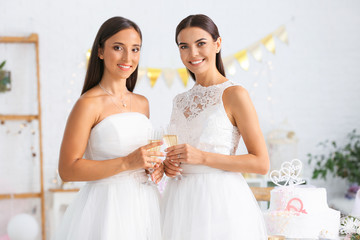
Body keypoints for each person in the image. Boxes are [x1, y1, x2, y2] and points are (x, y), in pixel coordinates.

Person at [55, 16, 164, 240]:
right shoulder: (88, 104)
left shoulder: (142, 103)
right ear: (100, 51)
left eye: (135, 49)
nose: (128, 58)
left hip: (145, 207)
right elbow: (67, 170)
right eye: (118, 48)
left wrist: (154, 167)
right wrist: (127, 162)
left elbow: (142, 160)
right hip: (106, 209)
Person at [162, 14, 269, 239]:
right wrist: (168, 166)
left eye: (201, 43)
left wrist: (202, 157)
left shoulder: (234, 94)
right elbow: (180, 153)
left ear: (217, 44)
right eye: (184, 46)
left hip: (220, 202)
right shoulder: (179, 101)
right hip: (179, 202)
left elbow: (260, 163)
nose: (193, 54)